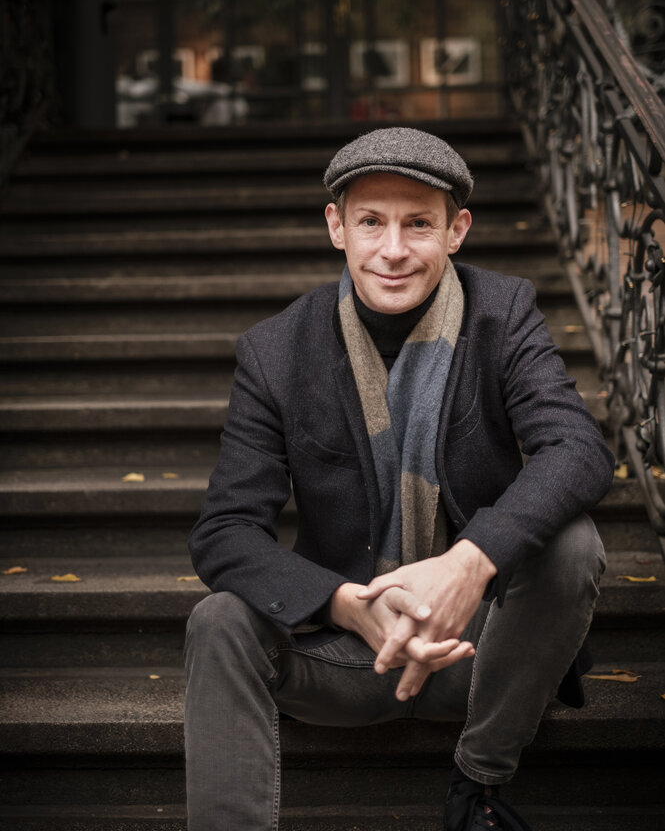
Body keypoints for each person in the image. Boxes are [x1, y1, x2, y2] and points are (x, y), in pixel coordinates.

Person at [185, 127, 613, 831]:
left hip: (482, 658)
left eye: (418, 223)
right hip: (348, 659)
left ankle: (477, 787)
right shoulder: (275, 351)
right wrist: (347, 604)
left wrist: (467, 565)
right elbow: (225, 532)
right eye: (370, 222)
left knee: (571, 542)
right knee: (219, 619)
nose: (392, 249)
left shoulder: (502, 315)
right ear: (336, 228)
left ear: (456, 231)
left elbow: (577, 449)